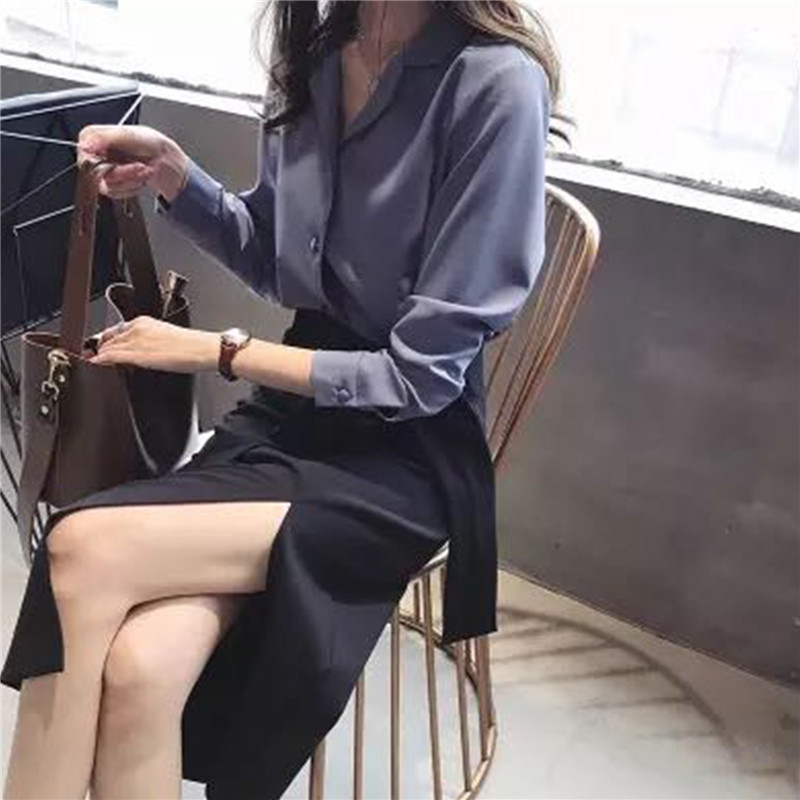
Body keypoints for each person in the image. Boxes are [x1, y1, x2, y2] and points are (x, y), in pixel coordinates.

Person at [1, 1, 558, 797]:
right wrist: (176, 176)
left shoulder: (495, 84)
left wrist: (216, 352)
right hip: (290, 418)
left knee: (77, 549)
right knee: (141, 667)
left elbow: (421, 379)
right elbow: (279, 261)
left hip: (406, 455)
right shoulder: (316, 56)